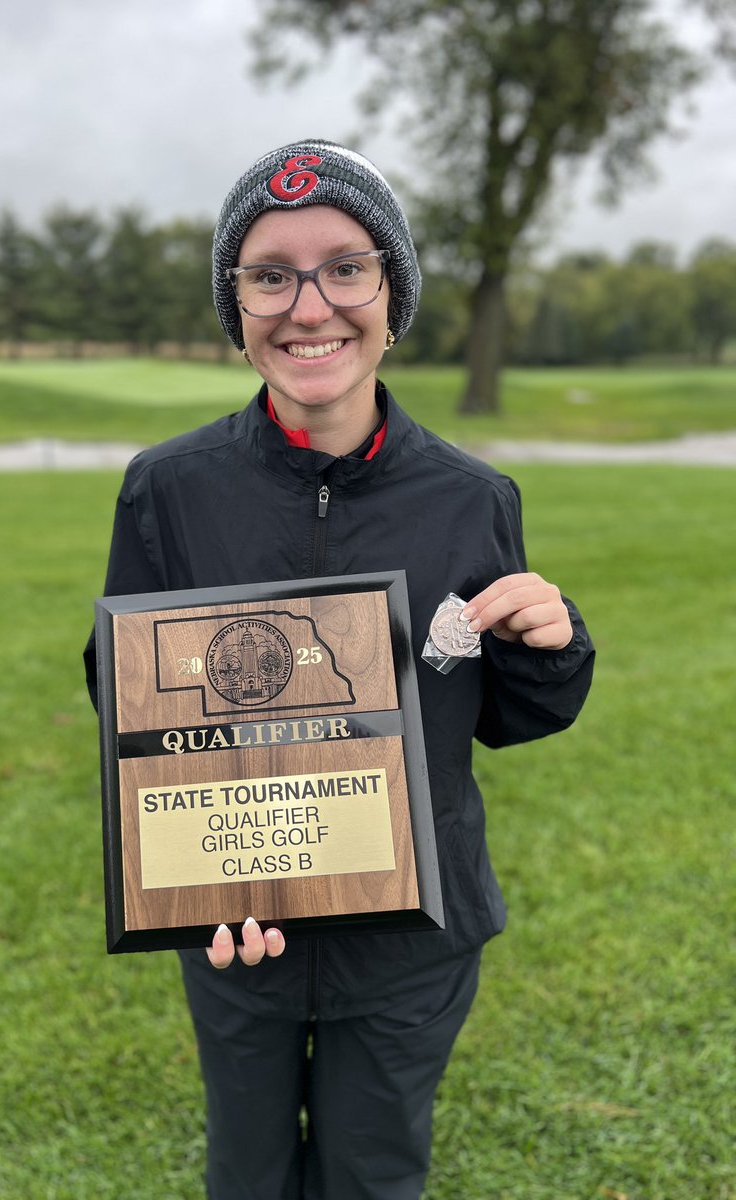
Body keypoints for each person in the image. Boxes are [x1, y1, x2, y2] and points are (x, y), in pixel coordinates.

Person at [84, 138, 595, 1200]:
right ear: (237, 308)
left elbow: (505, 713)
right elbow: (123, 691)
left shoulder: (471, 498)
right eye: (270, 275)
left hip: (413, 943)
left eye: (346, 268)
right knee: (249, 1174)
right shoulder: (167, 490)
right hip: (239, 935)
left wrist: (551, 644)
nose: (309, 307)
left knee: (373, 1173)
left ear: (392, 293)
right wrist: (196, 873)